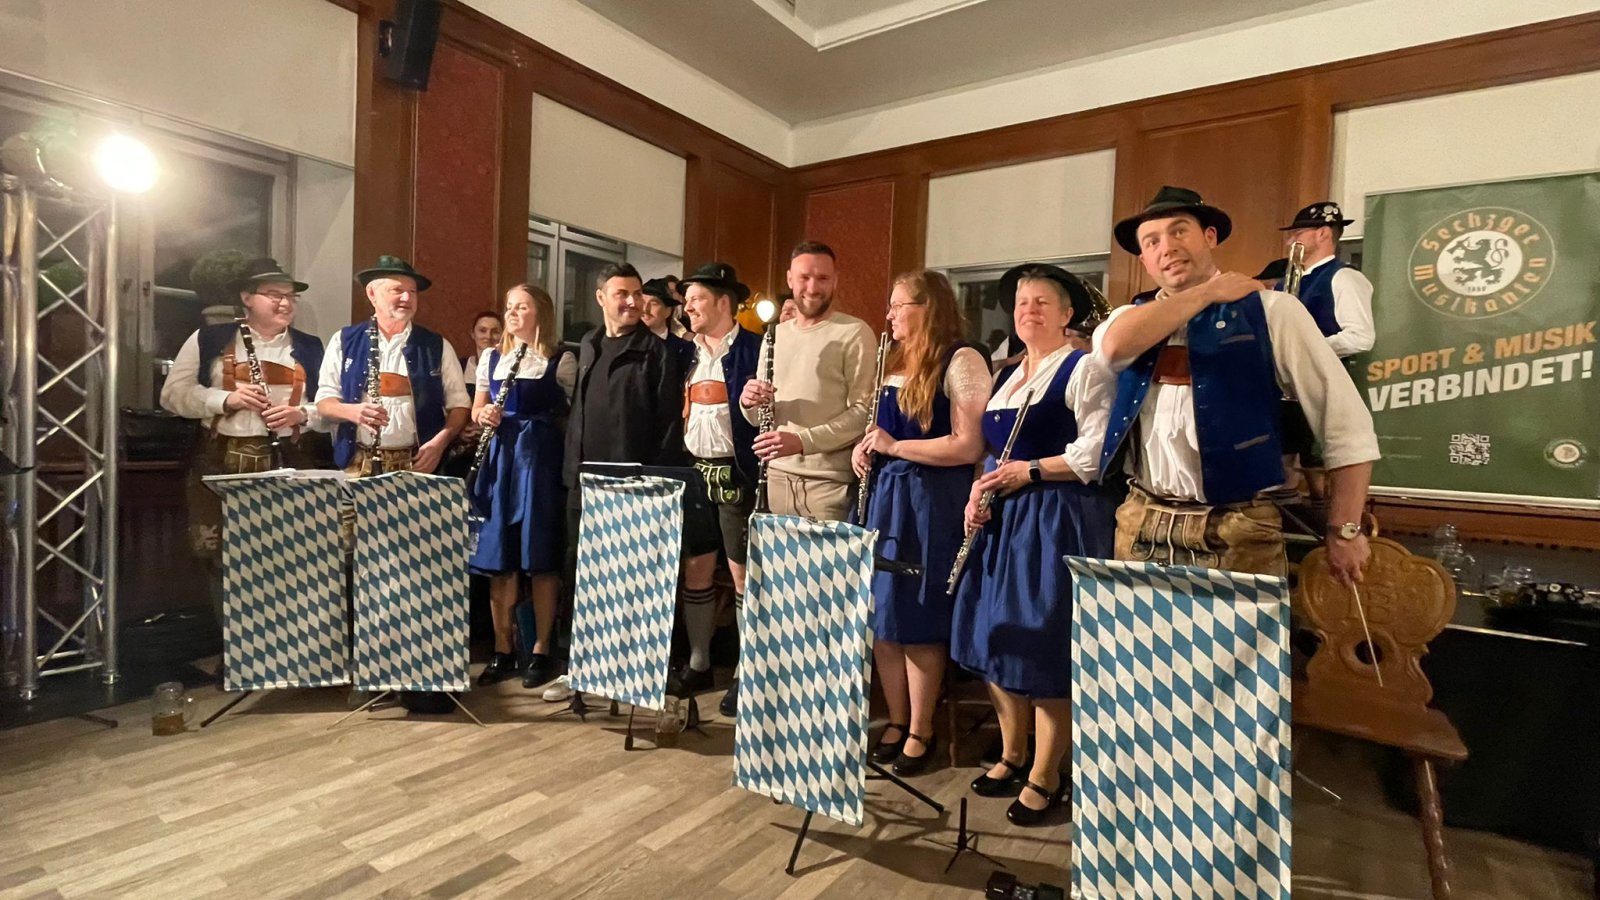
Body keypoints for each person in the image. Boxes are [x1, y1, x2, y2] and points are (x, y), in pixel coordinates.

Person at [1095, 186, 1379, 584]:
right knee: (1135, 629)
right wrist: (1208, 292)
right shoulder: (1127, 319)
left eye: (1180, 231)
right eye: (1152, 241)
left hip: (1238, 527)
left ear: (1210, 237)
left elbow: (1346, 424)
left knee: (1237, 632)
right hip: (1140, 521)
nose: (1168, 247)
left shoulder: (1273, 311)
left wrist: (1344, 529)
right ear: (1143, 259)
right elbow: (1112, 350)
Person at [950, 264, 1118, 826]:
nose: (1029, 310)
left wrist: (1031, 472)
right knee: (993, 634)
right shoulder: (1008, 375)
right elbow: (992, 453)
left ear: (1068, 314)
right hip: (1004, 518)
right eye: (1023, 302)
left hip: (1056, 516)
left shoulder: (1084, 367)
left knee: (1044, 642)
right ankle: (1012, 752)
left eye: (1043, 302)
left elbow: (1096, 453)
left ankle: (1047, 772)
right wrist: (978, 492)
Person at [850, 270, 989, 776]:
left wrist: (895, 447)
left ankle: (921, 728)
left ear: (927, 308)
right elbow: (882, 430)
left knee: (917, 618)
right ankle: (896, 718)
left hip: (929, 502)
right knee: (883, 618)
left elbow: (969, 445)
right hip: (886, 498)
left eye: (898, 305)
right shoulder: (893, 359)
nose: (889, 315)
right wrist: (866, 448)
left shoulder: (962, 359)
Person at [543, 262, 686, 702]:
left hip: (631, 487)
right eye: (622, 293)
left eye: (637, 293)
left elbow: (668, 426)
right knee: (578, 575)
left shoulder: (657, 352)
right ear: (601, 297)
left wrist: (651, 482)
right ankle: (577, 668)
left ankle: (629, 673)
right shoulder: (588, 343)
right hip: (583, 481)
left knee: (629, 582)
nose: (632, 302)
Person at [160, 257, 327, 619]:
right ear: (246, 298)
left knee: (288, 555)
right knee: (222, 557)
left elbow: (330, 407)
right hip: (221, 461)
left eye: (290, 296)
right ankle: (234, 642)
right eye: (274, 294)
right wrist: (226, 400)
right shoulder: (209, 339)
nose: (285, 303)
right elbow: (172, 395)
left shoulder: (311, 347)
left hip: (287, 460)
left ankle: (282, 638)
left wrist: (302, 414)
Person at [469, 284, 576, 690]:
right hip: (501, 461)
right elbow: (477, 407)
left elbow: (569, 417)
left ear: (540, 312)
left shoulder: (560, 360)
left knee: (540, 557)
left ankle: (541, 649)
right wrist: (484, 415)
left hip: (540, 464)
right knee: (501, 556)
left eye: (522, 307)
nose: (512, 313)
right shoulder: (492, 358)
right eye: (509, 307)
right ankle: (503, 649)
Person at [671, 263, 761, 717]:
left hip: (736, 474)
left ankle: (747, 672)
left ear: (724, 302)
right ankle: (699, 662)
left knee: (743, 575)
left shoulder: (756, 350)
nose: (687, 307)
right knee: (696, 570)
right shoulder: (684, 353)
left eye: (696, 299)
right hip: (693, 473)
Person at [738, 241, 876, 522]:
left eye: (823, 278)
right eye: (804, 277)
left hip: (828, 485)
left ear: (835, 281)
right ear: (790, 279)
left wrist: (802, 441)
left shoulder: (855, 332)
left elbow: (865, 413)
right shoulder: (775, 334)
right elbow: (759, 418)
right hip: (775, 477)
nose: (813, 288)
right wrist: (748, 402)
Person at [315, 256, 470, 476]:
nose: (407, 298)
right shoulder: (343, 341)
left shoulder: (437, 345)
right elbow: (324, 402)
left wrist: (439, 444)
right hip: (357, 464)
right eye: (397, 290)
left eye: (412, 292)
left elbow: (460, 405)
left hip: (419, 465)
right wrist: (351, 411)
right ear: (372, 294)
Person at [1278, 201, 1377, 500]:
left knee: (1317, 465)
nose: (1290, 241)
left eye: (1298, 233)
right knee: (1283, 464)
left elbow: (1360, 337)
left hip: (1323, 386)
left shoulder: (1344, 277)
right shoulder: (1288, 281)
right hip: (1287, 390)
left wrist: (1307, 350)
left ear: (1323, 233)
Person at [462, 310, 504, 390]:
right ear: (473, 334)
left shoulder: (507, 366)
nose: (488, 336)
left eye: (495, 332)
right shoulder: (461, 367)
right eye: (482, 330)